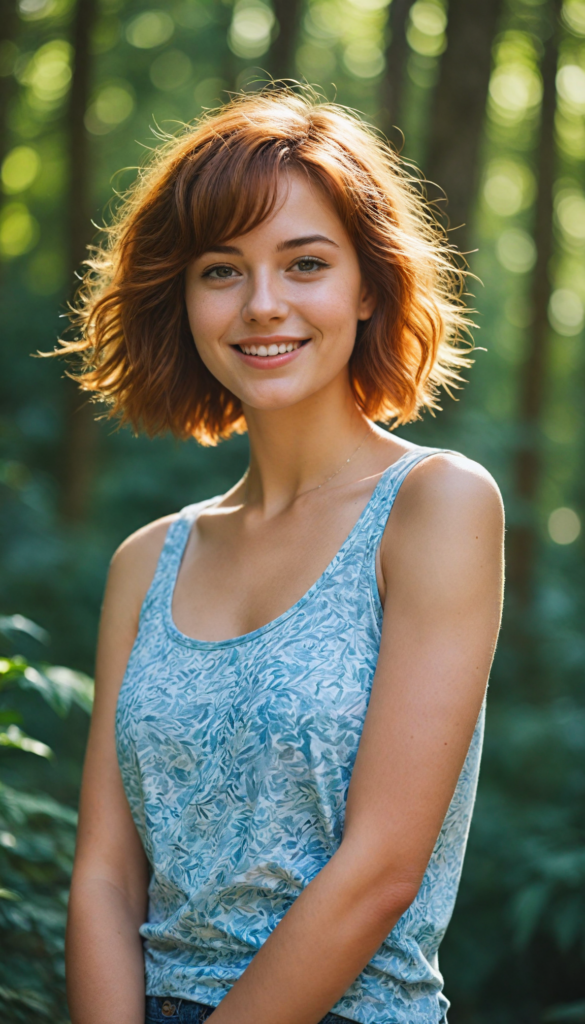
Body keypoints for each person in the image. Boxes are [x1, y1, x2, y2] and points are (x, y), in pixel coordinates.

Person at [61, 88, 504, 1024]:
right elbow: (104, 877)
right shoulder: (146, 561)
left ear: (367, 286)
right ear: (181, 298)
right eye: (221, 271)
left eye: (304, 264)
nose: (263, 305)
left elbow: (381, 868)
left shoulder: (436, 505)